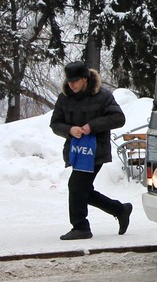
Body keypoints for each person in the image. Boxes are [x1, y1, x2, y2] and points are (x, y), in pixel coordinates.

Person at [49, 61, 131, 240]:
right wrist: (69, 130)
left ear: (85, 79)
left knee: (76, 186)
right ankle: (120, 209)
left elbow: (118, 118)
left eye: (75, 81)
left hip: (96, 151)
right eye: (69, 81)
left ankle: (81, 227)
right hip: (76, 151)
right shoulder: (64, 97)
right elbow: (55, 123)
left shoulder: (102, 96)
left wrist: (91, 127)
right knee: (82, 190)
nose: (71, 84)